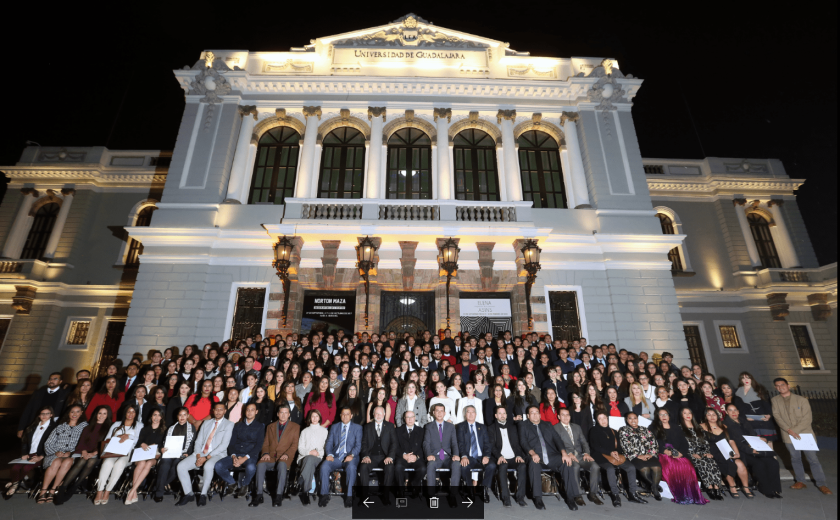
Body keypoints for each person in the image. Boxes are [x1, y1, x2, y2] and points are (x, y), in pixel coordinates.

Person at [771, 377, 831, 494]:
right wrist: (790, 431)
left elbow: (807, 418)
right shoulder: (774, 400)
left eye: (782, 385)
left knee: (813, 459)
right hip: (788, 435)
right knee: (795, 459)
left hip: (804, 434)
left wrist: (794, 430)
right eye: (777, 386)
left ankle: (822, 484)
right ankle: (800, 481)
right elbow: (777, 416)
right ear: (775, 388)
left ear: (788, 386)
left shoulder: (802, 400)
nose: (780, 387)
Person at [519, 405, 582, 511]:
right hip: (535, 455)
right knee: (533, 464)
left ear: (539, 414)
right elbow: (523, 442)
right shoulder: (523, 425)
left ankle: (570, 498)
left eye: (536, 412)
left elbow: (557, 439)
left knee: (567, 462)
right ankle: (538, 498)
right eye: (532, 413)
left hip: (551, 455)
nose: (535, 414)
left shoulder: (547, 424)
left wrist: (564, 453)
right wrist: (532, 453)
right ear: (528, 416)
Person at [175, 403, 234, 507]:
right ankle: (189, 493)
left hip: (217, 454)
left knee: (208, 466)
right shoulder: (206, 423)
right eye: (216, 409)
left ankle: (203, 495)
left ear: (225, 411)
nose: (218, 411)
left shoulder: (229, 424)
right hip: (201, 453)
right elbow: (198, 441)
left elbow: (224, 445)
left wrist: (206, 458)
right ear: (213, 411)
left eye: (221, 409)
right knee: (181, 466)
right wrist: (198, 456)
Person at [588, 411, 647, 508]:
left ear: (607, 418)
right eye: (600, 418)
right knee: (610, 469)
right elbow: (595, 446)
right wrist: (609, 452)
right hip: (600, 456)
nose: (603, 420)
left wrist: (617, 453)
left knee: (631, 467)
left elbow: (619, 447)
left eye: (604, 418)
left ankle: (633, 494)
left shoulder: (613, 431)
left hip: (614, 456)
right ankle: (615, 495)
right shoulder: (594, 430)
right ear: (597, 421)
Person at [649, 407, 707, 504]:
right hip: (662, 454)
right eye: (661, 414)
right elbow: (651, 443)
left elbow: (685, 443)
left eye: (666, 414)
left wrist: (681, 453)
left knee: (687, 466)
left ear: (669, 416)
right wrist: (663, 450)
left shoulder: (676, 427)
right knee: (671, 466)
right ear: (657, 416)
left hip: (678, 454)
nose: (664, 416)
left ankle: (690, 494)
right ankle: (679, 494)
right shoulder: (653, 428)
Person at [724, 403, 782, 498]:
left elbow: (753, 434)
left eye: (735, 410)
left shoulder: (743, 421)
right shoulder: (726, 425)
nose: (733, 412)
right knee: (759, 464)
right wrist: (751, 450)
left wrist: (760, 439)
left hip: (754, 446)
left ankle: (774, 488)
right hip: (742, 451)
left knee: (773, 462)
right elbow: (736, 442)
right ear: (726, 412)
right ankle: (765, 489)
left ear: (738, 412)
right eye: (730, 410)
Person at [214, 402, 265, 498]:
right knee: (218, 465)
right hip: (236, 453)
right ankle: (232, 483)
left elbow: (259, 446)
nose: (249, 412)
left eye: (252, 410)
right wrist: (233, 456)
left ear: (256, 412)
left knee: (251, 468)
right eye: (248, 410)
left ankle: (245, 485)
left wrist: (244, 458)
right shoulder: (237, 425)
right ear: (245, 412)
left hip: (250, 455)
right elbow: (231, 444)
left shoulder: (260, 426)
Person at [253, 404, 300, 507]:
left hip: (285, 456)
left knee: (282, 465)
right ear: (278, 414)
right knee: (260, 464)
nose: (283, 415)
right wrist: (265, 453)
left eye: (286, 413)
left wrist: (287, 455)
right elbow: (265, 444)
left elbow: (294, 445)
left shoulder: (295, 427)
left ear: (289, 414)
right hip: (271, 456)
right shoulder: (270, 426)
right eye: (281, 413)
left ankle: (279, 496)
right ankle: (259, 495)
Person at [554, 408, 603, 505]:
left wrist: (586, 453)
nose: (565, 417)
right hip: (567, 456)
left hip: (580, 455)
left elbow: (584, 442)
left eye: (567, 415)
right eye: (563, 415)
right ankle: (577, 495)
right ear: (559, 417)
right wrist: (568, 453)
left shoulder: (577, 427)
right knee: (575, 467)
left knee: (595, 466)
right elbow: (556, 444)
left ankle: (593, 494)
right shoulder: (555, 428)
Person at [700, 407, 751, 498]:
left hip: (726, 450)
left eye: (714, 414)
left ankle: (745, 487)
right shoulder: (701, 426)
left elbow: (731, 441)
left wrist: (737, 453)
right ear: (705, 416)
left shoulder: (724, 426)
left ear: (717, 416)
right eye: (709, 414)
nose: (712, 417)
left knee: (740, 463)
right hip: (713, 452)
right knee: (727, 462)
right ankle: (732, 486)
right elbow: (699, 442)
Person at [7, 406, 56, 497]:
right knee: (15, 468)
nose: (44, 415)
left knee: (26, 468)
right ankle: (15, 483)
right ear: (39, 415)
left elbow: (54, 445)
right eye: (42, 413)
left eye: (47, 413)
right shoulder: (32, 426)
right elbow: (25, 442)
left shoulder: (54, 428)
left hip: (43, 455)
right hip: (30, 454)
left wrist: (41, 456)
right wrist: (24, 453)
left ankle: (14, 485)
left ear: (51, 415)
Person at [95, 405, 140, 505]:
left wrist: (129, 436)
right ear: (125, 413)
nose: (130, 414)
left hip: (128, 452)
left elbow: (139, 441)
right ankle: (99, 491)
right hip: (113, 451)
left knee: (119, 464)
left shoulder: (139, 425)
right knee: (107, 463)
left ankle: (107, 491)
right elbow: (107, 438)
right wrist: (117, 437)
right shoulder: (117, 424)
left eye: (133, 412)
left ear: (136, 414)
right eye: (128, 411)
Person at [486, 405, 528, 507]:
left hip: (513, 457)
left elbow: (517, 444)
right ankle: (506, 498)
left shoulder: (513, 427)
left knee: (522, 466)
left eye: (504, 413)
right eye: (500, 413)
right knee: (503, 466)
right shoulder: (491, 428)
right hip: (501, 457)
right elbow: (492, 446)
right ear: (496, 415)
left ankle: (520, 497)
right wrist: (499, 456)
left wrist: (518, 455)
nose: (502, 415)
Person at [422, 403, 462, 508]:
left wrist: (456, 455)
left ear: (445, 413)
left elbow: (454, 443)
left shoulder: (451, 426)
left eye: (441, 411)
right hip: (435, 456)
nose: (439, 413)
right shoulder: (428, 426)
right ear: (433, 413)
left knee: (456, 464)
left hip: (448, 457)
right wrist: (429, 454)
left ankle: (453, 495)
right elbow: (426, 443)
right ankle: (431, 495)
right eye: (437, 411)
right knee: (430, 465)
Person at [680, 408, 724, 500]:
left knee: (711, 462)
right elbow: (681, 445)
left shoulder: (698, 427)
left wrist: (707, 452)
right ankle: (709, 487)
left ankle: (716, 487)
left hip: (702, 452)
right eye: (685, 413)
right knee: (702, 463)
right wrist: (691, 454)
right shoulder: (680, 428)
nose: (688, 415)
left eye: (689, 412)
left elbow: (705, 442)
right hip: (690, 454)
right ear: (681, 415)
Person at [125, 409, 166, 505]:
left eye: (158, 415)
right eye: (154, 415)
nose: (156, 417)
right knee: (142, 462)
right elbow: (138, 443)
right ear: (151, 417)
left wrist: (158, 448)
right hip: (141, 454)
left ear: (161, 417)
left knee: (148, 463)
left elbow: (163, 446)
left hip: (154, 455)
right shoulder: (145, 429)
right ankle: (134, 492)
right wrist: (142, 444)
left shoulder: (164, 430)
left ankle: (131, 491)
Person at [153, 407, 195, 502]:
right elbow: (164, 442)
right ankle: (159, 494)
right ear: (177, 417)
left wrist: (189, 453)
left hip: (183, 455)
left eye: (184, 415)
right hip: (170, 453)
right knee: (164, 465)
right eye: (180, 415)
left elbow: (192, 443)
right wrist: (162, 449)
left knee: (176, 466)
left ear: (188, 416)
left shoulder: (191, 428)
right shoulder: (171, 428)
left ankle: (160, 486)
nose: (182, 417)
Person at [358, 406, 398, 505]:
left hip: (385, 457)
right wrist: (365, 456)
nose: (378, 415)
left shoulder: (389, 426)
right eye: (376, 413)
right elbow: (363, 444)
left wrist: (390, 456)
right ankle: (364, 497)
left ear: (384, 414)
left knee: (390, 467)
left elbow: (394, 443)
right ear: (373, 415)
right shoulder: (367, 427)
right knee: (363, 467)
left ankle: (386, 496)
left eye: (380, 413)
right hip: (371, 457)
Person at [455, 405, 495, 503]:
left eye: (473, 412)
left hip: (481, 456)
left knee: (492, 466)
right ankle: (470, 490)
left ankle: (484, 490)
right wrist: (463, 456)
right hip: (469, 456)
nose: (471, 414)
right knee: (464, 467)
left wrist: (487, 456)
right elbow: (460, 443)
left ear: (476, 414)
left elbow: (487, 444)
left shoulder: (482, 427)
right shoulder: (460, 426)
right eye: (468, 412)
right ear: (465, 414)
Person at [618, 412, 662, 500]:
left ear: (638, 419)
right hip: (634, 456)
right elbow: (625, 445)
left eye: (635, 418)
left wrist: (650, 454)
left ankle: (654, 487)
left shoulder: (645, 429)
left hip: (649, 454)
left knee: (656, 467)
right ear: (626, 420)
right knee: (644, 469)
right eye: (630, 418)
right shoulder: (623, 430)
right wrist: (637, 456)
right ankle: (654, 486)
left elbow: (654, 443)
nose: (633, 420)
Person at [296, 409, 329, 506]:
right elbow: (300, 448)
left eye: (316, 416)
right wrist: (309, 452)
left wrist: (317, 453)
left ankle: (304, 491)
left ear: (319, 418)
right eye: (312, 416)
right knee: (308, 459)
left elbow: (326, 449)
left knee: (310, 459)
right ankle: (305, 489)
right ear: (310, 418)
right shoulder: (304, 431)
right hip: (303, 458)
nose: (314, 418)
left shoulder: (324, 431)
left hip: (319, 458)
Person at [737, 372, 777, 445]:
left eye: (748, 377)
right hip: (749, 421)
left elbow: (766, 403)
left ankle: (772, 456)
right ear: (740, 380)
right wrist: (744, 418)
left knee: (768, 443)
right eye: (743, 378)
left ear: (751, 379)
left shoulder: (759, 388)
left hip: (763, 420)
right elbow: (738, 408)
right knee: (755, 445)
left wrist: (769, 415)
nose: (746, 379)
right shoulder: (738, 392)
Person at [395, 410, 427, 496]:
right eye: (407, 417)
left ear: (415, 418)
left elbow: (423, 447)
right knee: (397, 467)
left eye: (412, 417)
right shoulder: (398, 431)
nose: (410, 419)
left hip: (416, 458)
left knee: (423, 469)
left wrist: (416, 456)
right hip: (402, 458)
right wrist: (403, 455)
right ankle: (400, 490)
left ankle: (414, 485)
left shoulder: (421, 431)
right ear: (404, 419)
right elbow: (395, 446)